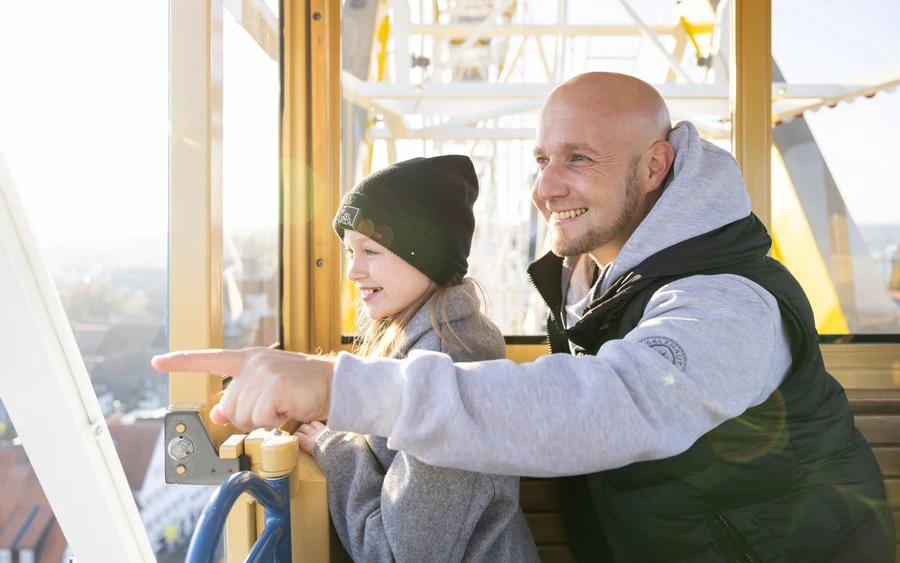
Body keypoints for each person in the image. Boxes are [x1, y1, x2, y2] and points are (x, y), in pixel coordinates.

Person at [153, 73, 894, 562]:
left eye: (577, 159)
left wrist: (332, 388)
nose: (544, 186)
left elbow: (610, 403)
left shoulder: (729, 302)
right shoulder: (597, 275)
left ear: (655, 167)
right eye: (542, 157)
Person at [298, 155, 537, 562]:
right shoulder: (416, 339)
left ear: (424, 254)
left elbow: (396, 555)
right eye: (348, 252)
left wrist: (336, 449)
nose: (353, 272)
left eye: (371, 250)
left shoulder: (451, 357)